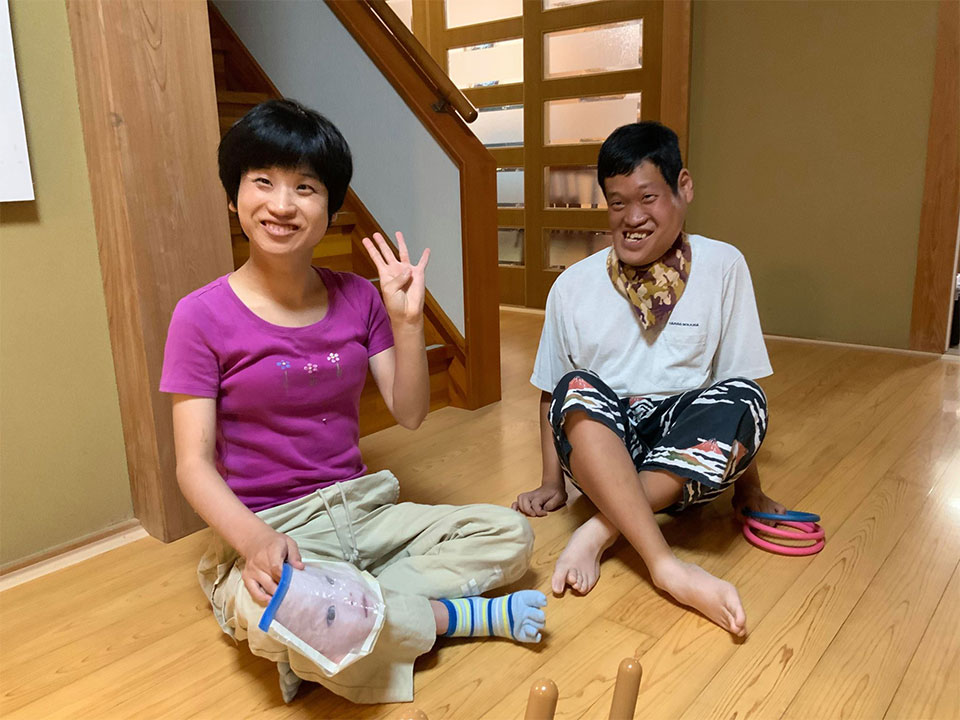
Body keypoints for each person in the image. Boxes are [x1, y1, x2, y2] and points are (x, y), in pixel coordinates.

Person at [160, 99, 546, 705]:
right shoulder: (199, 316)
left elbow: (410, 413)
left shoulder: (360, 299)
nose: (282, 204)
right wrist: (255, 543)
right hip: (274, 529)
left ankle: (346, 617)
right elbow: (192, 465)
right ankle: (454, 618)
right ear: (234, 197)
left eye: (305, 187)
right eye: (262, 181)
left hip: (362, 508)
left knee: (510, 534)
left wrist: (408, 323)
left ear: (331, 207)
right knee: (272, 606)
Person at [512, 122, 784, 637]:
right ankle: (665, 564)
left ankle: (602, 528)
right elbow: (552, 392)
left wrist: (748, 490)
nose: (632, 218)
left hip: (687, 467)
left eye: (648, 198)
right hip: (601, 453)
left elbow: (734, 382)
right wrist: (552, 484)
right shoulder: (572, 286)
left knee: (746, 396)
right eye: (617, 203)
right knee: (576, 385)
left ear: (684, 187)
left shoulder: (723, 265)